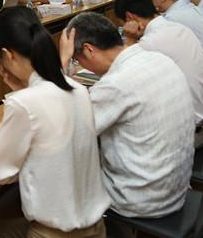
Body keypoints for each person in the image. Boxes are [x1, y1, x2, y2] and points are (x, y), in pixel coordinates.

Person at [0, 7, 110, 238]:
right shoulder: (78, 89)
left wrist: (20, 94)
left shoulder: (23, 103)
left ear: (8, 55)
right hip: (97, 228)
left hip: (53, 233)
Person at [59, 12, 194, 219]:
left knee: (60, 166)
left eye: (77, 61)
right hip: (176, 187)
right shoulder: (160, 59)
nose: (80, 68)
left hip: (141, 200)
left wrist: (62, 63)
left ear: (89, 49)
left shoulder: (115, 84)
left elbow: (68, 131)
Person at [114, 0, 203, 148]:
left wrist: (130, 39)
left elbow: (122, 77)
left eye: (123, 25)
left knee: (113, 129)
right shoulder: (180, 28)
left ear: (130, 17)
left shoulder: (150, 42)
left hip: (183, 138)